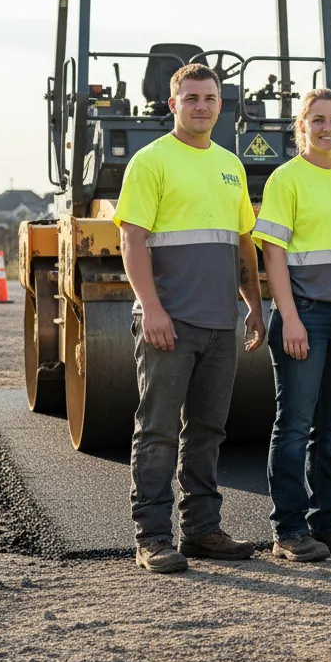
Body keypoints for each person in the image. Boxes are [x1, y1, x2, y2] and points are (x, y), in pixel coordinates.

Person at [115, 62, 266, 574]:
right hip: (170, 323)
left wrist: (254, 302)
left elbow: (242, 240)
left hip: (221, 323)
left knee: (207, 430)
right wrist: (152, 308)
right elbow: (131, 240)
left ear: (221, 105)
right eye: (192, 97)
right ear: (173, 103)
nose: (201, 105)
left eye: (210, 98)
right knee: (157, 430)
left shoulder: (231, 166)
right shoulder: (150, 161)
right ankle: (152, 536)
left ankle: (202, 530)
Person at [252, 89, 331, 562]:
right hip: (304, 313)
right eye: (319, 119)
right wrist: (289, 318)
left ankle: (328, 523)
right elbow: (273, 253)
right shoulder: (286, 179)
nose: (329, 127)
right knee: (294, 425)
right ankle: (288, 530)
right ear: (301, 126)